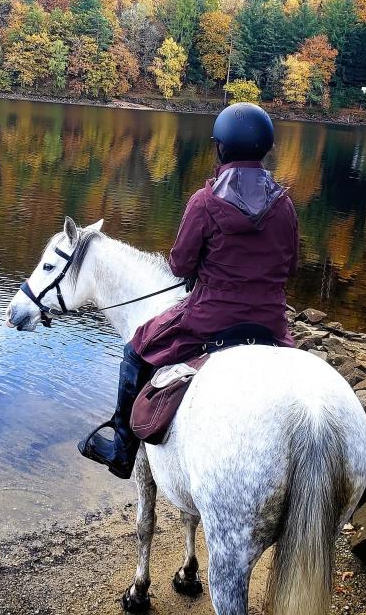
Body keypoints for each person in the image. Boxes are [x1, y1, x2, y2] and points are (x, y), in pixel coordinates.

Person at [78, 103, 300, 478]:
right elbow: (290, 267)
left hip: (208, 319)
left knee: (134, 352)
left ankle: (121, 451)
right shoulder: (285, 205)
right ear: (265, 149)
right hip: (270, 323)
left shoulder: (204, 201)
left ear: (220, 148)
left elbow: (179, 266)